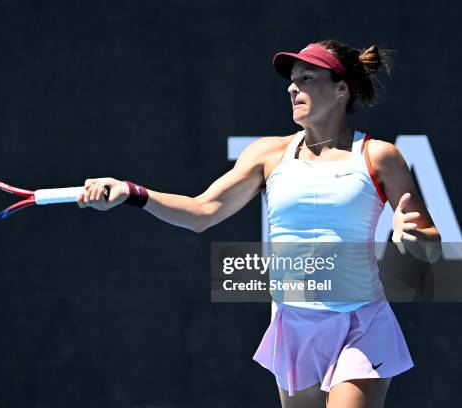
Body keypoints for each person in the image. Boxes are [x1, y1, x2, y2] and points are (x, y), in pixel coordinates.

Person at [77, 40, 441, 407]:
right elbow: (202, 211)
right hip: (294, 323)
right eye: (292, 79)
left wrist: (412, 239)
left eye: (307, 78)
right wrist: (132, 192)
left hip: (360, 322)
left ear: (341, 89)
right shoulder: (267, 155)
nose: (292, 87)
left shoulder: (379, 156)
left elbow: (431, 243)